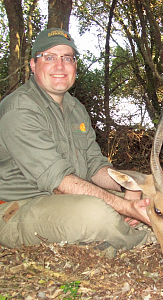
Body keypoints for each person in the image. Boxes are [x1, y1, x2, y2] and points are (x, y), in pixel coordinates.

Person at [0, 28, 151, 254]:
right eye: (49, 57)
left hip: (67, 199)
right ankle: (151, 237)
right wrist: (125, 207)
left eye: (67, 58)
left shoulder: (76, 108)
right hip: (16, 209)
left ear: (75, 66)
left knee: (151, 200)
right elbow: (59, 182)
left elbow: (95, 166)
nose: (59, 66)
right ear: (33, 65)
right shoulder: (20, 109)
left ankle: (120, 234)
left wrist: (131, 185)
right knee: (97, 213)